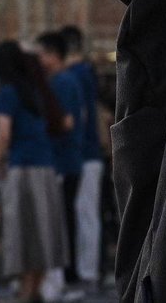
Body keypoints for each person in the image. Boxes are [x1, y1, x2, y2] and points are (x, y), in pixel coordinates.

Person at [0, 40, 69, 303]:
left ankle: (26, 293)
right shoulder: (36, 91)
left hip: (22, 167)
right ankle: (33, 290)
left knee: (22, 233)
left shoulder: (8, 92)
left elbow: (3, 133)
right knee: (43, 233)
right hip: (45, 167)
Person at [36, 31, 86, 302]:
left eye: (42, 54)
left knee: (62, 222)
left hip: (63, 161)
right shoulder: (65, 81)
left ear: (54, 55)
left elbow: (66, 122)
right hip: (68, 160)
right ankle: (69, 276)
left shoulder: (63, 83)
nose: (40, 60)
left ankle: (68, 277)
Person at [59, 26, 103, 286]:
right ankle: (88, 268)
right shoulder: (86, 73)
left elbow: (82, 115)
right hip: (89, 151)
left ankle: (86, 270)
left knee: (84, 214)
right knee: (86, 214)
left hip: (82, 151)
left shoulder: (75, 76)